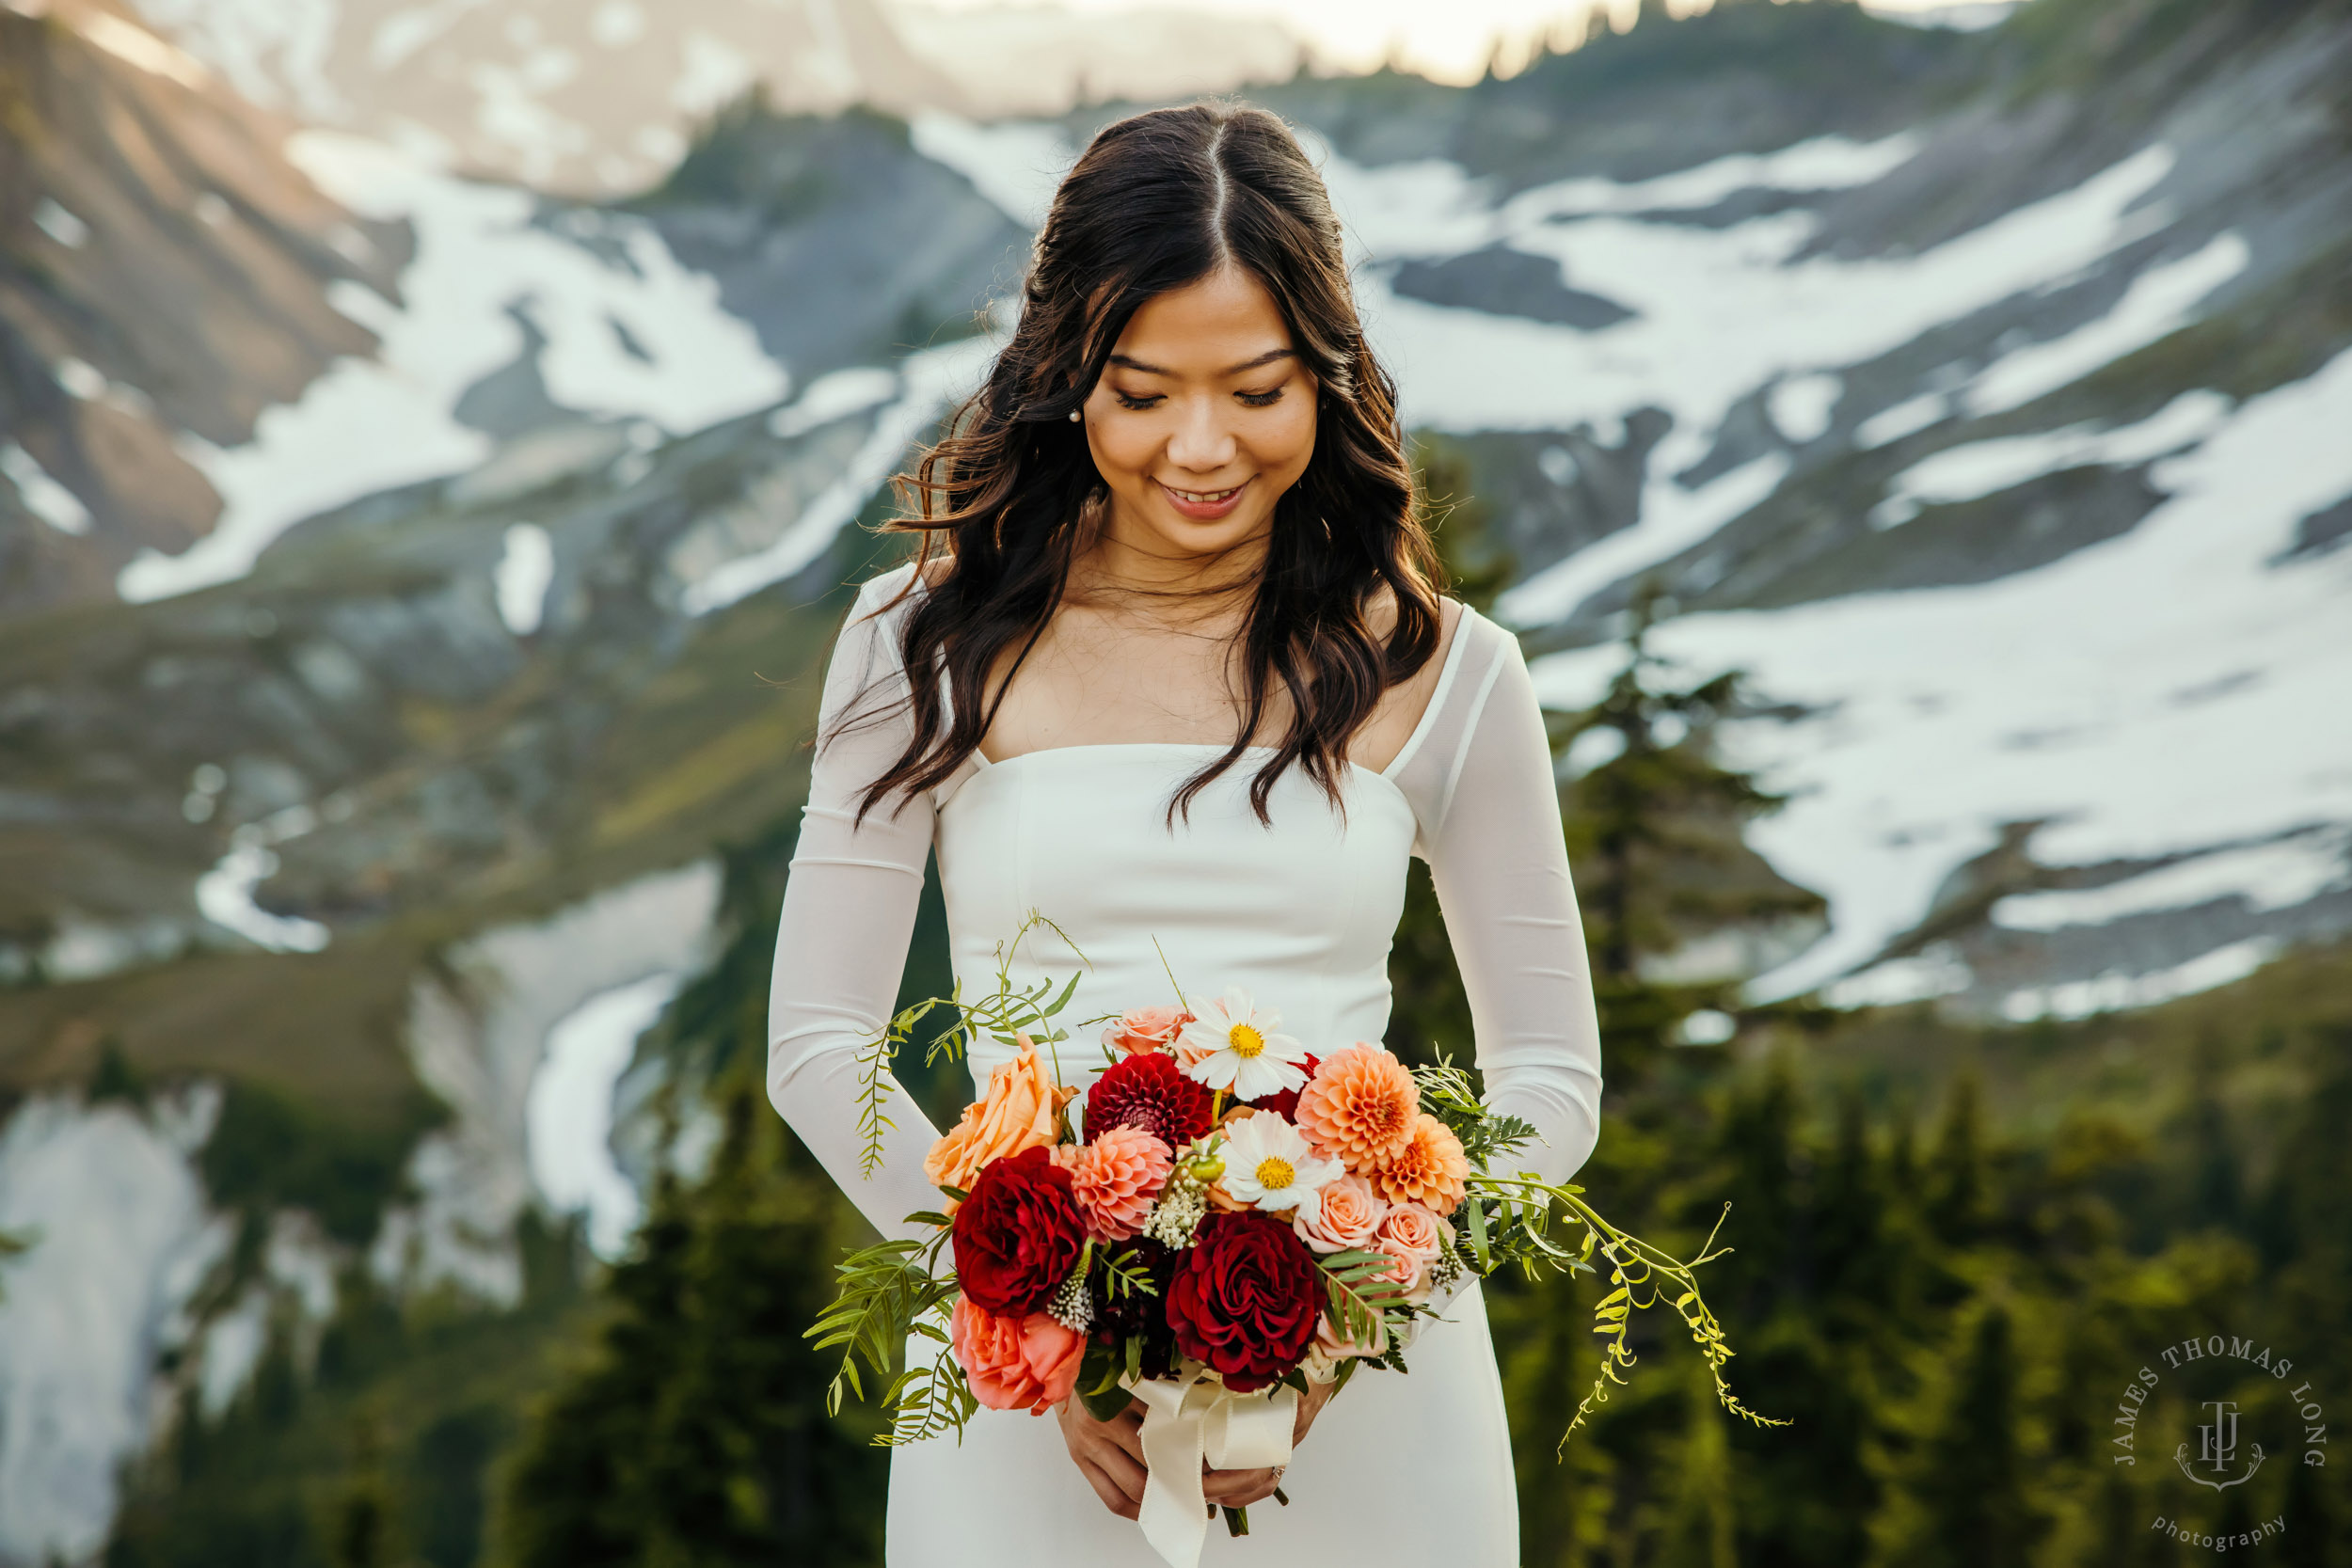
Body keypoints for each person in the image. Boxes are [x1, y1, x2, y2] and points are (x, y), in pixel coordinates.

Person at [766, 100, 1602, 1566]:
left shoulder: (1452, 671)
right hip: (1020, 1400)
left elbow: (1551, 1075)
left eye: (1257, 389)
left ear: (1329, 380)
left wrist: (1359, 1300)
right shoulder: (922, 642)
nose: (1200, 448)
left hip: (1372, 1409)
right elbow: (819, 1048)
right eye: (1142, 392)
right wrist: (1033, 1309)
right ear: (1062, 377)